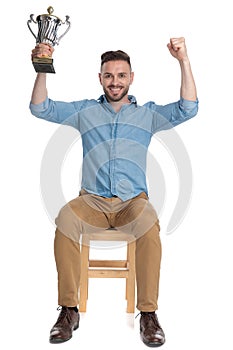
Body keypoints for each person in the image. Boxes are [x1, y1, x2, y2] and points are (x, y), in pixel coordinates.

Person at [30, 37, 198, 347]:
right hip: (91, 200)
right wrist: (42, 66)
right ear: (100, 78)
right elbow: (40, 108)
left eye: (121, 75)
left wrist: (183, 61)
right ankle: (69, 310)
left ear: (131, 78)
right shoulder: (85, 112)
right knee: (66, 219)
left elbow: (189, 108)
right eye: (109, 75)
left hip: (133, 202)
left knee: (149, 224)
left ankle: (148, 314)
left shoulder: (147, 115)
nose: (115, 82)